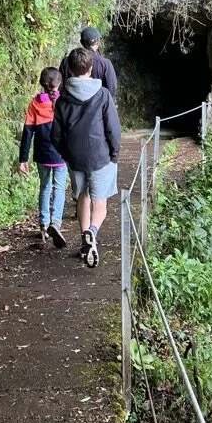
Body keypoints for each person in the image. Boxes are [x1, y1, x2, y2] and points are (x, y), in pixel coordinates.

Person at [51, 46, 122, 268]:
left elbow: (56, 134)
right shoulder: (102, 95)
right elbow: (113, 128)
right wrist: (114, 153)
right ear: (91, 69)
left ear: (69, 70)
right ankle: (92, 231)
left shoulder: (63, 99)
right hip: (100, 156)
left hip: (75, 157)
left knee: (83, 195)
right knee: (100, 202)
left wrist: (66, 153)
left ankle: (84, 240)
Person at [18, 67, 68, 249]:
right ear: (59, 83)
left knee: (45, 187)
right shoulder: (63, 102)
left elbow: (27, 132)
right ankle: (56, 222)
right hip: (61, 154)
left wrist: (23, 159)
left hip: (41, 154)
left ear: (42, 83)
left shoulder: (34, 103)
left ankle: (43, 225)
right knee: (60, 189)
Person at [59, 26, 118, 99]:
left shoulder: (66, 61)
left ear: (81, 42)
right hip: (96, 106)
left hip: (71, 105)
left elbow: (60, 86)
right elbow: (112, 89)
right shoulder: (105, 63)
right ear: (98, 42)